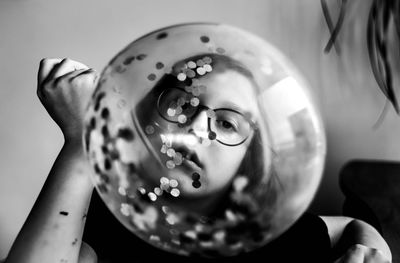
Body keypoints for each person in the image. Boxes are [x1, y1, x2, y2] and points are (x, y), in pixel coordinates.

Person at [2, 57, 392, 263]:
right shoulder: (112, 220)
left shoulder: (263, 233)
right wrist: (82, 142)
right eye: (181, 104)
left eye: (225, 122)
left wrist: (377, 248)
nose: (197, 128)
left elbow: (349, 225)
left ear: (246, 158)